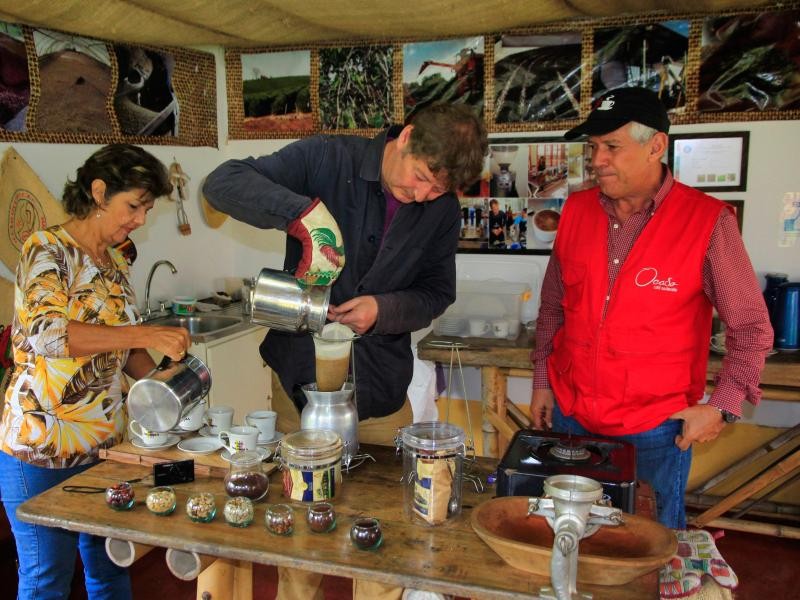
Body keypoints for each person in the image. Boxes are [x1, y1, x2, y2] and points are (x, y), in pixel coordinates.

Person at [204, 102, 487, 600]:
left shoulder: (440, 211)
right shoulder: (327, 159)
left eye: (436, 190)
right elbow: (222, 182)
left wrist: (384, 309)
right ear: (407, 137)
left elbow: (437, 293)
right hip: (301, 385)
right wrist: (303, 214)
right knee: (300, 529)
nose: (422, 195)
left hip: (379, 389)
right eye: (420, 177)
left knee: (386, 532)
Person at [528, 87, 773, 529]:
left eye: (612, 147)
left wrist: (721, 406)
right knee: (570, 536)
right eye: (593, 147)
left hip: (654, 430)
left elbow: (752, 328)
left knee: (645, 548)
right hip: (572, 417)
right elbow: (552, 308)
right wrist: (543, 380)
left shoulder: (707, 221)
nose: (597, 159)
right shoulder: (578, 211)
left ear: (656, 146)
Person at [0, 144, 190, 599]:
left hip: (104, 450)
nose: (140, 219)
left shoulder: (115, 262)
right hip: (42, 448)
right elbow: (49, 335)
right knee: (48, 579)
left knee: (108, 573)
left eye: (146, 209)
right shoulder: (46, 250)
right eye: (134, 206)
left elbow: (121, 354)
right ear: (99, 191)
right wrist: (144, 333)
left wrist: (169, 392)